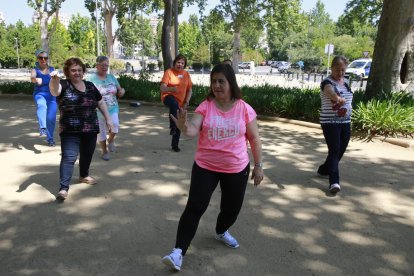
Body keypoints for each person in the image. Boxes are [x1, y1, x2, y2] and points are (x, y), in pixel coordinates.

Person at [162, 63, 264, 271]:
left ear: (230, 83)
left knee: (231, 210)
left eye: (221, 81)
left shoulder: (244, 108)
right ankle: (178, 252)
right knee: (194, 207)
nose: (217, 85)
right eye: (214, 81)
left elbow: (254, 138)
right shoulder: (205, 106)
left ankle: (221, 230)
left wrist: (259, 165)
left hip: (236, 168)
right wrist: (184, 127)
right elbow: (192, 131)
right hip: (205, 166)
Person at [49, 57, 113, 200]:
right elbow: (54, 91)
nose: (76, 73)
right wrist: (54, 80)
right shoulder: (64, 84)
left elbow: (101, 103)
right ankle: (63, 188)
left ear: (83, 71)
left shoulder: (90, 85)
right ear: (67, 72)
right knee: (69, 157)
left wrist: (108, 119)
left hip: (90, 128)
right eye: (73, 70)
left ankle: (84, 175)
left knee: (87, 155)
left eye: (79, 70)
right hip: (70, 130)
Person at [317, 55, 353, 194]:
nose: (340, 73)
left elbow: (349, 100)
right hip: (330, 123)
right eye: (337, 70)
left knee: (341, 150)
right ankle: (334, 182)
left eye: (343, 70)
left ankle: (324, 169)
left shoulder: (346, 82)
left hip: (345, 122)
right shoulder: (327, 82)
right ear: (331, 68)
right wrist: (337, 98)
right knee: (334, 150)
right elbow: (329, 92)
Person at [86, 56, 125, 161]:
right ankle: (104, 151)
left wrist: (121, 92)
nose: (105, 67)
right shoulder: (91, 78)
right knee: (101, 131)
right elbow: (85, 92)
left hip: (112, 107)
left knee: (115, 126)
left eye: (106, 65)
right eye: (102, 65)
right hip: (97, 110)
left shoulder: (111, 77)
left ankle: (111, 140)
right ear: (97, 65)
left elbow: (120, 89)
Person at [160, 54, 193, 152]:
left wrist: (186, 102)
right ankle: (172, 126)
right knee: (174, 105)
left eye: (182, 63)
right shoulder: (169, 72)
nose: (180, 64)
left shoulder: (186, 74)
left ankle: (175, 145)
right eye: (178, 62)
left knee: (179, 120)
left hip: (181, 102)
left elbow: (190, 90)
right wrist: (171, 89)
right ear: (175, 63)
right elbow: (162, 88)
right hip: (168, 97)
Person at [30, 50, 57, 146]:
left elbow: (57, 81)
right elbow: (32, 78)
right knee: (42, 106)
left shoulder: (52, 69)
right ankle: (42, 127)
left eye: (45, 58)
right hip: (40, 94)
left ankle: (50, 138)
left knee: (51, 118)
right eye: (41, 57)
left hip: (52, 96)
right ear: (37, 59)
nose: (43, 59)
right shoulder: (35, 70)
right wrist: (36, 79)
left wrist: (56, 77)